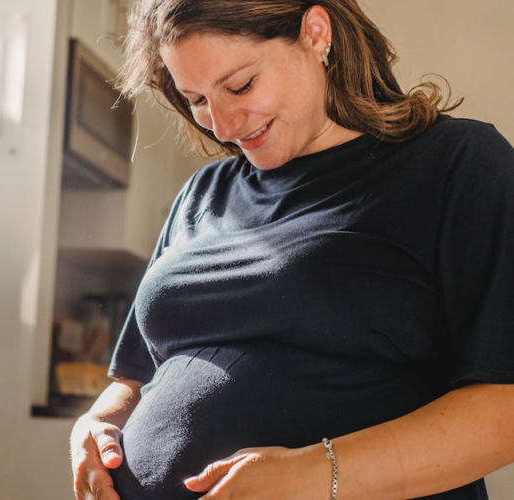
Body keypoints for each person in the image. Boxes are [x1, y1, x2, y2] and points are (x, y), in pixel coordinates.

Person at [69, 0, 514, 499]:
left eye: (240, 85)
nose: (222, 125)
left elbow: (505, 409)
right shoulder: (202, 193)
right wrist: (93, 425)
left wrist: (314, 473)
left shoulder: (457, 164)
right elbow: (135, 378)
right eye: (195, 99)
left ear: (316, 34)